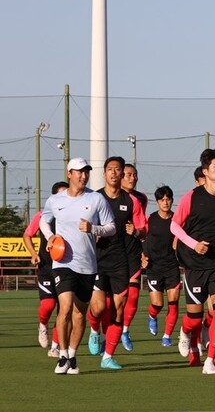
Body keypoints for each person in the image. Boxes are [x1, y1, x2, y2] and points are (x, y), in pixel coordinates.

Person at [40, 158, 116, 375]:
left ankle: (72, 356)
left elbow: (111, 227)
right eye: (79, 172)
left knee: (80, 314)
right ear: (69, 173)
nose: (83, 176)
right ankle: (62, 355)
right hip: (62, 263)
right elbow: (43, 221)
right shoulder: (55, 200)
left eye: (86, 172)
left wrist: (94, 228)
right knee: (64, 308)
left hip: (88, 265)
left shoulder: (96, 198)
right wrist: (51, 237)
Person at [172, 149, 215, 374]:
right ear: (205, 171)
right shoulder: (192, 197)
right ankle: (185, 333)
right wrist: (194, 245)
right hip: (194, 263)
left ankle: (210, 360)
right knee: (194, 317)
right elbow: (175, 226)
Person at [87, 156, 147, 370]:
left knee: (118, 310)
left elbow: (143, 229)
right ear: (104, 173)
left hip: (120, 260)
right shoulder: (93, 198)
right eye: (110, 169)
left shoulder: (131, 202)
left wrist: (137, 232)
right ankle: (94, 331)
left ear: (122, 174)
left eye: (118, 170)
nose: (114, 173)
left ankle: (108, 357)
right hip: (96, 260)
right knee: (99, 307)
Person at [22, 181, 69, 357]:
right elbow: (27, 235)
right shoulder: (42, 216)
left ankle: (55, 347)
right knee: (48, 305)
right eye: (61, 195)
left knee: (64, 309)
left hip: (67, 267)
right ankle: (43, 325)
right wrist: (34, 254)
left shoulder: (73, 216)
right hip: (46, 267)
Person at [142, 185, 182, 347]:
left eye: (168, 199)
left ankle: (167, 336)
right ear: (157, 202)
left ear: (172, 200)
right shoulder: (150, 219)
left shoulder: (178, 219)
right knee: (158, 304)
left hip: (172, 266)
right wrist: (142, 256)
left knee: (173, 302)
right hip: (154, 266)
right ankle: (152, 316)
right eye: (162, 199)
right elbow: (140, 239)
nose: (165, 202)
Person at [120, 163, 148, 351]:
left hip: (133, 252)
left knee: (134, 295)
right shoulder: (105, 196)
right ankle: (98, 330)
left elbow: (143, 227)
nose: (132, 178)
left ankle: (125, 330)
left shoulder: (141, 198)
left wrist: (137, 233)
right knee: (108, 303)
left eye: (135, 174)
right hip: (110, 254)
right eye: (129, 174)